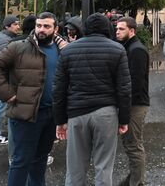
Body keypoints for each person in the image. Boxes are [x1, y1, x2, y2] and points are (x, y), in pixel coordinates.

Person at [0, 12, 67, 186]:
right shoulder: (19, 47)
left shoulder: (63, 50)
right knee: (21, 161)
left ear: (55, 29)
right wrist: (8, 94)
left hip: (50, 115)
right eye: (39, 26)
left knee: (40, 160)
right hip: (25, 115)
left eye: (46, 26)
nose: (41, 30)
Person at [53, 13, 131, 186]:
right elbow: (124, 89)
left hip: (76, 114)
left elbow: (58, 89)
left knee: (75, 169)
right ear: (107, 28)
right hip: (106, 113)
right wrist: (124, 119)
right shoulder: (118, 50)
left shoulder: (68, 51)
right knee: (104, 168)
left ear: (85, 29)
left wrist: (60, 120)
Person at [116, 17, 150, 186]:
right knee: (130, 143)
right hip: (131, 104)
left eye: (121, 29)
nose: (117, 32)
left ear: (132, 31)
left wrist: (124, 108)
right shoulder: (129, 47)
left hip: (135, 105)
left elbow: (135, 83)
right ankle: (134, 178)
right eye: (117, 29)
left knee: (134, 145)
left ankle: (137, 182)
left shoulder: (136, 50)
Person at [0, 15, 20, 146]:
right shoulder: (4, 41)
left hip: (4, 78)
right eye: (15, 24)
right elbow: (8, 60)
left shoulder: (6, 38)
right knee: (1, 107)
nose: (18, 26)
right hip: (4, 79)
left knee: (1, 106)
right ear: (7, 26)